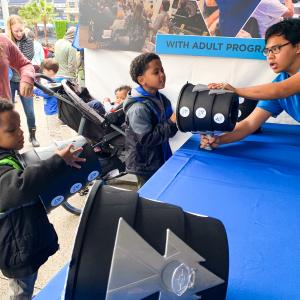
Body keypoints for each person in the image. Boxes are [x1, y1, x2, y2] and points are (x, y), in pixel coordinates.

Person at [0, 99, 85, 300]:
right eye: (12, 130)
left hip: (22, 240)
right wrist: (56, 162)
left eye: (20, 127)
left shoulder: (8, 154)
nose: (21, 133)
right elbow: (20, 186)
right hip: (16, 250)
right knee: (21, 292)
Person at [202, 18, 300, 149]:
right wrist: (218, 139)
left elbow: (280, 89)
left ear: (297, 47)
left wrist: (235, 90)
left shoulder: (278, 88)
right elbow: (249, 124)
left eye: (276, 49)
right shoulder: (279, 82)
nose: (270, 56)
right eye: (267, 51)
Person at [123, 53, 177, 187]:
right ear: (141, 80)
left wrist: (178, 121)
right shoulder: (138, 108)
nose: (162, 75)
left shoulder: (163, 100)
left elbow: (170, 131)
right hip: (145, 165)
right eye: (156, 72)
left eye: (162, 70)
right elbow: (147, 139)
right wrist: (171, 121)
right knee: (148, 198)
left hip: (160, 158)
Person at [7, 15, 40, 147]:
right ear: (10, 29)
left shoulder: (28, 40)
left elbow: (26, 58)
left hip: (24, 81)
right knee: (8, 113)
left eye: (21, 30)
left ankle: (33, 136)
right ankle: (11, 140)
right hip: (9, 82)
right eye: (16, 31)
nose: (20, 33)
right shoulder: (5, 41)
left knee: (30, 112)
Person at [33, 58, 63, 142]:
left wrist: (35, 90)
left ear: (50, 71)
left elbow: (46, 94)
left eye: (44, 70)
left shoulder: (52, 82)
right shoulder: (57, 80)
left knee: (54, 132)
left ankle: (59, 150)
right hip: (54, 109)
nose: (43, 72)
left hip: (52, 111)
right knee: (54, 130)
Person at [0, 33, 34, 100]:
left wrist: (27, 78)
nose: (19, 34)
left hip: (3, 106)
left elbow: (24, 64)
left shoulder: (3, 40)